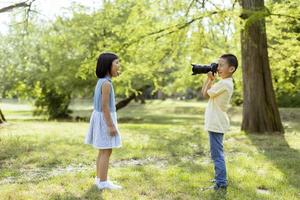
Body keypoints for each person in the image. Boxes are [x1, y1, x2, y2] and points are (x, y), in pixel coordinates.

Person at [85, 52, 122, 190]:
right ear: (108, 66)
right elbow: (105, 107)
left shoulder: (102, 81)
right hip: (105, 119)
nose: (119, 65)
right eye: (116, 63)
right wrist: (111, 125)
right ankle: (103, 182)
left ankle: (99, 179)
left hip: (100, 117)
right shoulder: (106, 84)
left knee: (103, 150)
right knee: (106, 150)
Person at [201, 54, 238, 190]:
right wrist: (209, 79)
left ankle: (221, 182)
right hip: (216, 122)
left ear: (231, 69)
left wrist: (209, 80)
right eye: (218, 64)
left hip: (217, 122)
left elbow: (205, 93)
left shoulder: (224, 83)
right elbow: (205, 93)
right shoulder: (224, 82)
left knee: (217, 154)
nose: (218, 67)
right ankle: (219, 178)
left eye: (222, 65)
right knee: (216, 153)